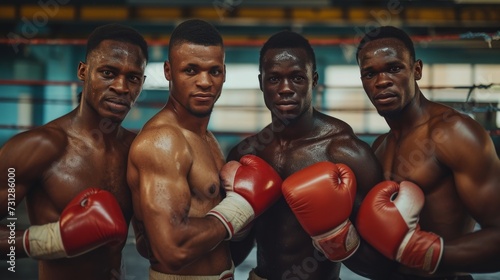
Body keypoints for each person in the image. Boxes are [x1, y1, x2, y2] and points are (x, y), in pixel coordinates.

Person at [227, 30, 396, 280]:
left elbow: (382, 266)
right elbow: (233, 256)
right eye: (274, 79)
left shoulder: (346, 152)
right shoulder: (247, 154)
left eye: (297, 78)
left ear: (313, 80)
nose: (285, 89)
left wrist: (338, 239)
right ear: (262, 82)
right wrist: (239, 227)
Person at [126, 19, 282, 280]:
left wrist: (242, 226)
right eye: (190, 70)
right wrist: (239, 209)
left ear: (224, 73)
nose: (205, 82)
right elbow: (171, 249)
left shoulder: (205, 138)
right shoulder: (163, 141)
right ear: (168, 71)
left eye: (214, 71)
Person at [0, 23, 148, 280]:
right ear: (83, 71)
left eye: (133, 78)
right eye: (108, 72)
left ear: (142, 83)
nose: (122, 87)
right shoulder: (38, 147)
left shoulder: (137, 150)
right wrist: (55, 239)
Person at [355, 25, 500, 279]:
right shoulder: (378, 148)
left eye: (394, 68)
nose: (382, 81)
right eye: (370, 74)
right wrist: (337, 241)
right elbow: (380, 259)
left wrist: (427, 253)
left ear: (417, 70)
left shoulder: (454, 132)